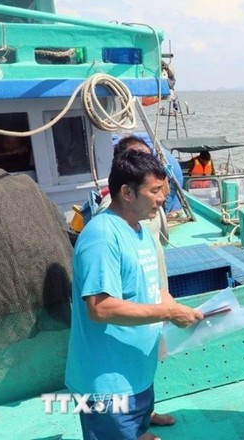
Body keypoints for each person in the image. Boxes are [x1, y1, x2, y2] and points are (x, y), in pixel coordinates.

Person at [65, 149, 203, 440]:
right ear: (127, 192)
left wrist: (183, 311)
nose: (162, 197)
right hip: (108, 384)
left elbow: (157, 292)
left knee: (136, 428)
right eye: (154, 191)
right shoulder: (102, 236)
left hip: (138, 374)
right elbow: (100, 309)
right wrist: (168, 313)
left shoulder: (141, 231)